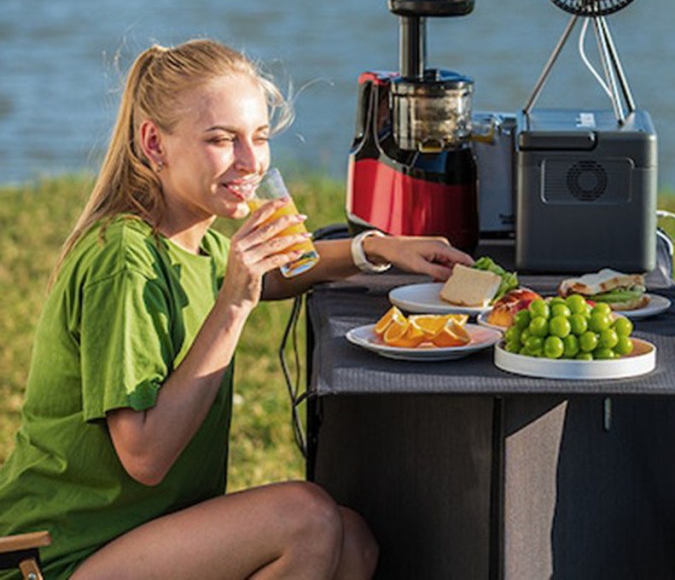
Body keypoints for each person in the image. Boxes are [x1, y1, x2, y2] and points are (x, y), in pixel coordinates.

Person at [0, 39, 474, 578]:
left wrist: (376, 248)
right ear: (154, 144)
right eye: (222, 140)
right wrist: (235, 302)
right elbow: (145, 457)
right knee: (306, 519)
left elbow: (277, 272)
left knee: (354, 542)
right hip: (56, 558)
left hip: (132, 538)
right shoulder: (125, 261)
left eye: (260, 137)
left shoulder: (191, 239)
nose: (250, 162)